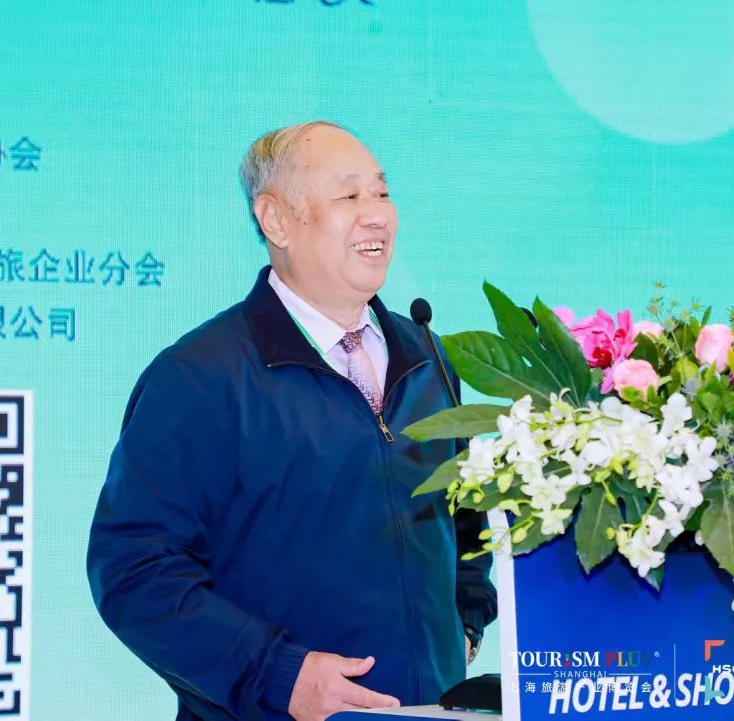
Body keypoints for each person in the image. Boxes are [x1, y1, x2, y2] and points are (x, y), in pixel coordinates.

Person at [86, 120, 496, 721]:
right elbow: (135, 570)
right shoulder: (200, 377)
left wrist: (467, 619)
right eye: (349, 195)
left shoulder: (427, 361)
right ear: (276, 220)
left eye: (382, 192)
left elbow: (465, 519)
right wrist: (278, 674)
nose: (377, 215)